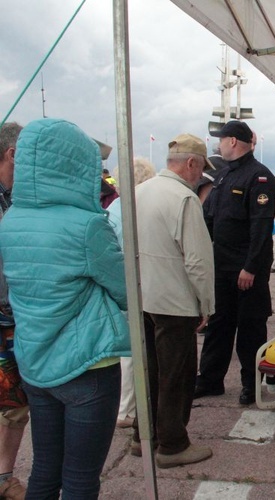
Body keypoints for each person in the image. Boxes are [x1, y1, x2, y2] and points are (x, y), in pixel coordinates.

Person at [0, 118, 130, 498]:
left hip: (35, 361)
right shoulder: (87, 225)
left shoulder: (10, 220)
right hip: (88, 364)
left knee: (44, 470)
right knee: (80, 479)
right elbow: (126, 291)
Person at [130, 133, 216, 468]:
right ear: (192, 163)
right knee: (175, 375)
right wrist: (206, 304)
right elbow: (197, 260)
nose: (200, 176)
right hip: (174, 300)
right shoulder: (184, 198)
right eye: (200, 168)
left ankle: (143, 436)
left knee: (148, 370)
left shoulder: (139, 191)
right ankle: (173, 443)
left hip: (143, 295)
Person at [196, 121, 275, 406]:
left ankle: (251, 384)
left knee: (250, 327)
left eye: (220, 140)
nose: (217, 144)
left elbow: (260, 227)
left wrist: (251, 267)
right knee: (218, 325)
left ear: (232, 141)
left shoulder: (260, 178)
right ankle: (209, 380)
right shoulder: (222, 177)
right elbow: (209, 218)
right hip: (221, 266)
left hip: (245, 270)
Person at [108, 157, 157, 429]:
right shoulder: (135, 209)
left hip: (122, 283)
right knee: (132, 348)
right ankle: (126, 407)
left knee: (128, 347)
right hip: (136, 283)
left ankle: (126, 404)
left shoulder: (114, 209)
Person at [0, 122, 27, 500]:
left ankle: (5, 477)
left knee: (14, 403)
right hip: (4, 315)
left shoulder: (16, 198)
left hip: (13, 319)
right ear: (12, 154)